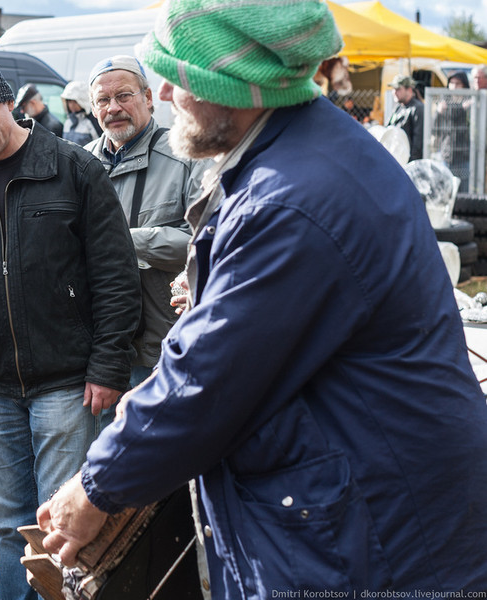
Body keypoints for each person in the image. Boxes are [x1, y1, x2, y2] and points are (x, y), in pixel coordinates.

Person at [36, 0, 487, 596]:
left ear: (239, 87)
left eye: (184, 75)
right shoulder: (303, 152)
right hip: (359, 504)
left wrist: (97, 485)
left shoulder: (291, 200)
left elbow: (210, 377)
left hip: (374, 535)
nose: (166, 90)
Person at [0, 54, 141, 600]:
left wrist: (107, 365)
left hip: (68, 382)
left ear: (10, 104)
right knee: (6, 526)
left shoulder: (75, 169)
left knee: (61, 524)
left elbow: (116, 278)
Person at [85, 54, 206, 390]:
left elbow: (206, 243)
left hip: (161, 345)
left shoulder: (186, 155)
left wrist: (125, 240)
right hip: (98, 348)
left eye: (124, 95)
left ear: (148, 98)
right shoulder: (78, 165)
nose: (113, 108)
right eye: (103, 100)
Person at [434, 71, 471, 192]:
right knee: (447, 190)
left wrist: (468, 109)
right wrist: (438, 112)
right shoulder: (444, 103)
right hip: (447, 154)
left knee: (463, 191)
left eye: (458, 84)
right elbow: (434, 129)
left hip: (465, 155)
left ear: (464, 86)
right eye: (452, 83)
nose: (454, 87)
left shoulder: (471, 102)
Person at [387, 73, 424, 161]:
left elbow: (418, 141)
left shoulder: (417, 108)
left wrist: (411, 164)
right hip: (396, 158)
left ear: (409, 90)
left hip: (408, 161)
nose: (394, 92)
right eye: (393, 89)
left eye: (398, 89)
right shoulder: (398, 107)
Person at [59, 80, 100, 145]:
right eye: (69, 101)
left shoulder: (92, 121)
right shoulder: (68, 122)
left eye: (75, 101)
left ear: (82, 100)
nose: (72, 105)